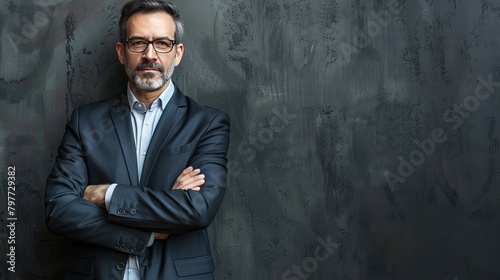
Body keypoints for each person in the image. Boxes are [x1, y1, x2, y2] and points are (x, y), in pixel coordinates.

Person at [44, 0, 230, 279]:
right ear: (121, 52)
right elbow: (59, 209)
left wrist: (107, 194)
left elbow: (197, 209)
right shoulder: (86, 121)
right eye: (138, 43)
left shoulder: (208, 123)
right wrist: (150, 231)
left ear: (177, 53)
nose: (150, 55)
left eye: (162, 43)